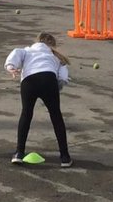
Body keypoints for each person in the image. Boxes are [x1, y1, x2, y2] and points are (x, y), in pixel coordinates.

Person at [5, 33, 72, 167]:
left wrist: (10, 67)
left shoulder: (27, 50)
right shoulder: (56, 57)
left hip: (29, 81)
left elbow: (16, 53)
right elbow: (63, 78)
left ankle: (19, 153)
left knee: (26, 114)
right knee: (56, 116)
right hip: (48, 79)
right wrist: (55, 88)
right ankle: (65, 156)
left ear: (37, 41)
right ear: (52, 46)